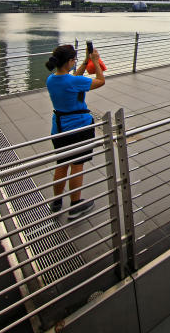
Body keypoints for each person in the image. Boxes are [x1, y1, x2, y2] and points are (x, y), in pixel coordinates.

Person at [45, 43, 105, 218]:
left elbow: (72, 78)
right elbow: (100, 81)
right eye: (74, 60)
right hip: (78, 128)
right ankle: (75, 205)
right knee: (77, 166)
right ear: (70, 61)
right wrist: (95, 60)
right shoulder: (73, 81)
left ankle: (56, 202)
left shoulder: (52, 79)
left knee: (62, 164)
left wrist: (86, 62)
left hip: (59, 128)